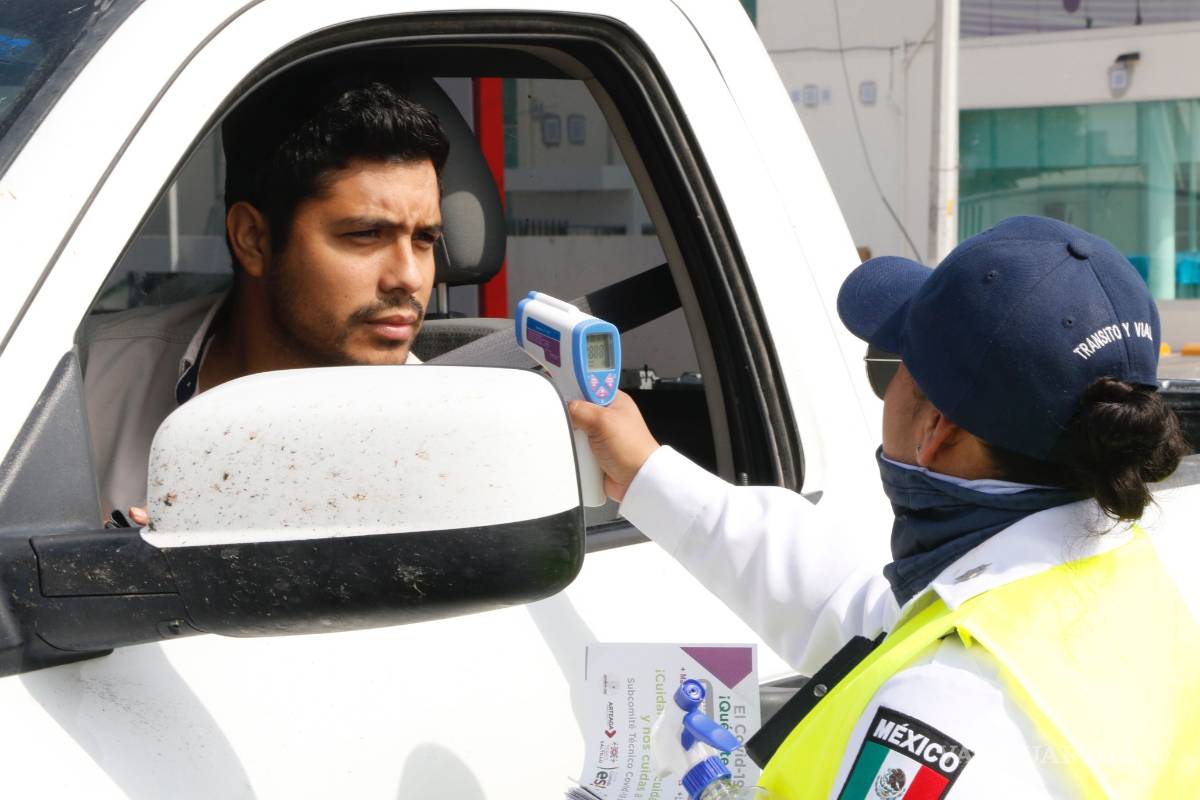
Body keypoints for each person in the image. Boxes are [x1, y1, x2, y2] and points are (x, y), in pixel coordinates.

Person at [569, 216, 1200, 798]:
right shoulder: (1111, 585)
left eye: (887, 367)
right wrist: (648, 473)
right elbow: (868, 618)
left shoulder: (947, 704)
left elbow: (920, 664)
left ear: (937, 431)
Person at [79, 59, 449, 517]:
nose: (408, 277)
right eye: (365, 235)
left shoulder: (449, 441)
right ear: (253, 238)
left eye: (425, 239)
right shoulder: (89, 380)